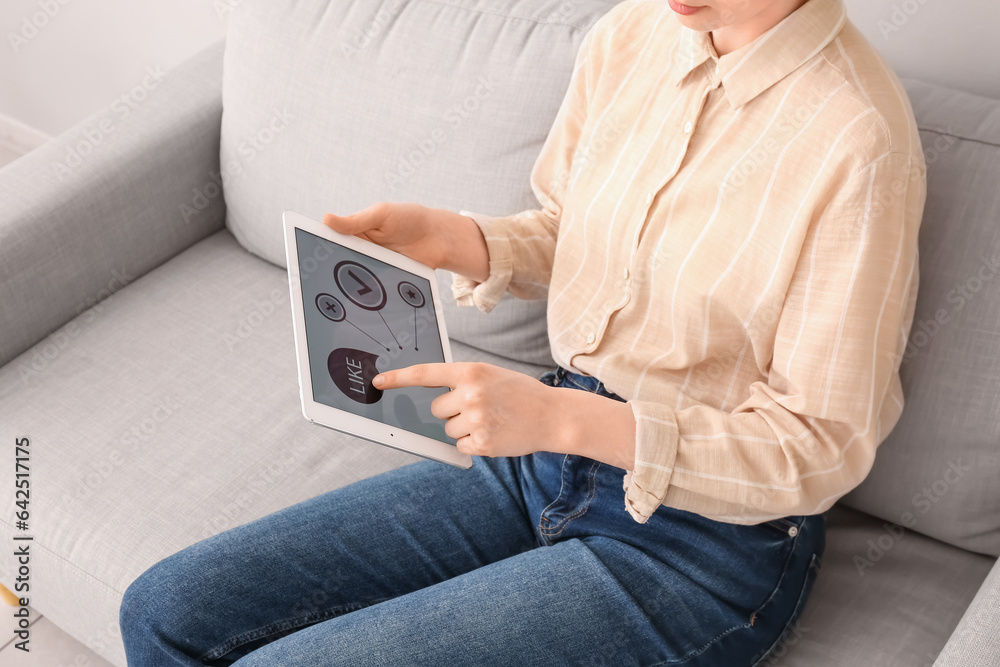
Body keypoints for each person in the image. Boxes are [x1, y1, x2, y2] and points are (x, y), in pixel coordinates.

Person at [119, 0, 925, 664]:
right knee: (163, 609)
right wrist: (464, 241)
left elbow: (819, 444)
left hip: (703, 543)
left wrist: (561, 420)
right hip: (543, 458)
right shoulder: (635, 33)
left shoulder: (859, 143)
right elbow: (573, 231)